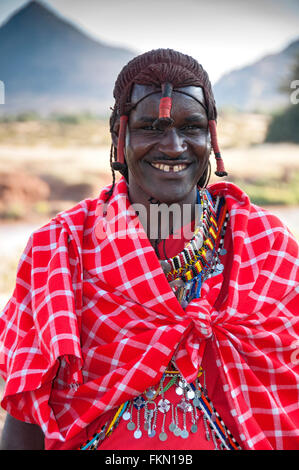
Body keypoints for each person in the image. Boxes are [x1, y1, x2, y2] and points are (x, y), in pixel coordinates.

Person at [0, 49, 298, 451]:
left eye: (191, 127)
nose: (174, 146)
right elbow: (25, 426)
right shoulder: (60, 250)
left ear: (211, 137)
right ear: (119, 136)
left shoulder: (265, 247)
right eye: (151, 127)